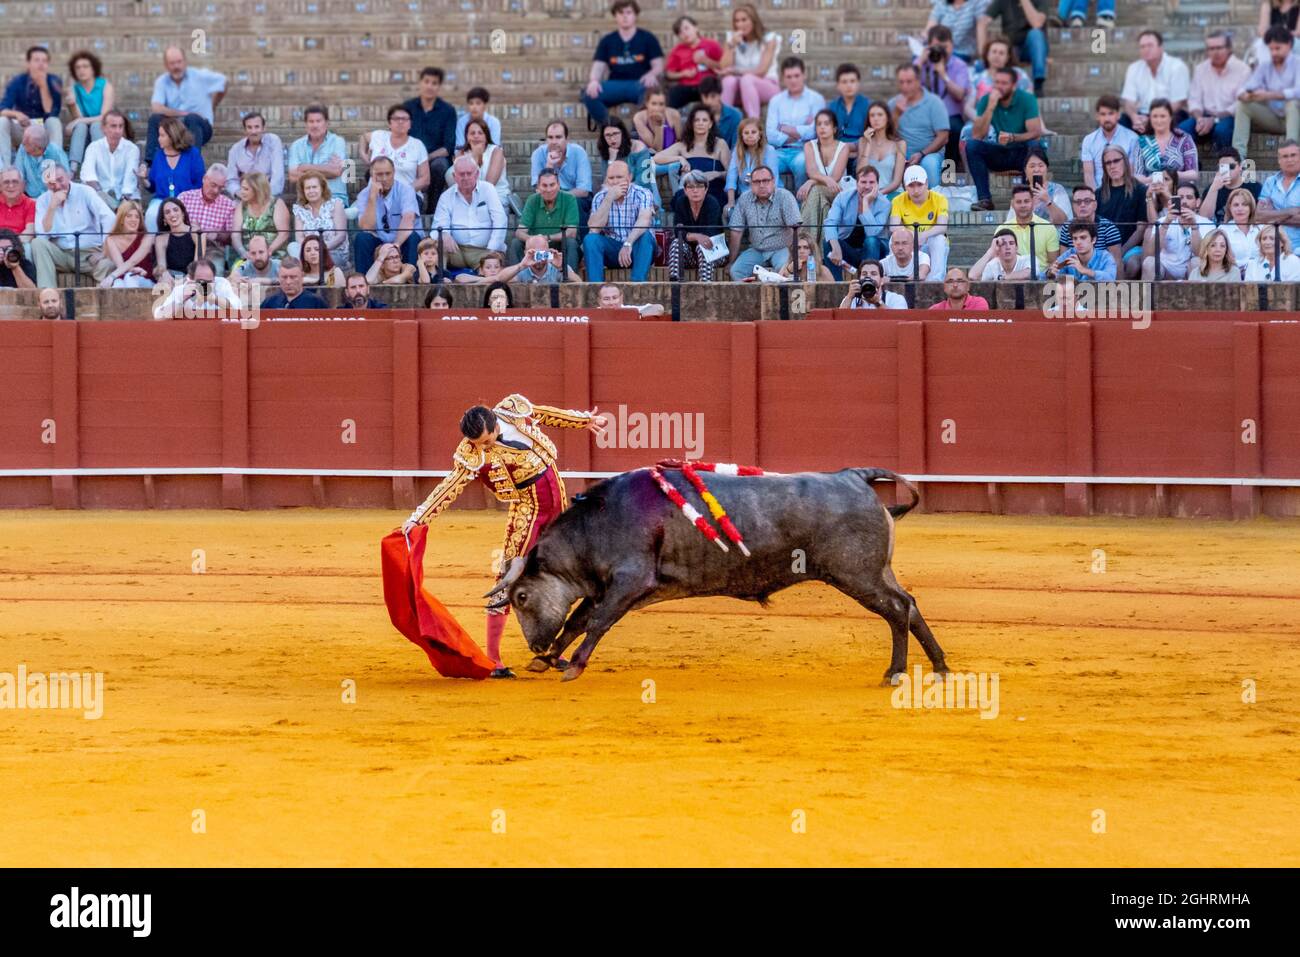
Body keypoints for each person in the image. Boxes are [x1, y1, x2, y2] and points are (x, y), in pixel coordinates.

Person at [400, 396, 609, 677]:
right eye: (479, 444)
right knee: (508, 578)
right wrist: (418, 518)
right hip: (528, 510)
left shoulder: (512, 409)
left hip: (557, 500)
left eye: (487, 440)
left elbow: (544, 414)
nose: (484, 447)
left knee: (566, 573)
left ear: (495, 425)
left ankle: (552, 650)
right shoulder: (471, 453)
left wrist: (584, 420)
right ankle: (494, 660)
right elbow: (449, 486)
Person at [967, 67, 1043, 210]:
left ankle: (1026, 198)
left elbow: (1035, 132)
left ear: (1013, 86)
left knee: (1034, 145)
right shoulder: (986, 100)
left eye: (1004, 83)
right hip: (1000, 153)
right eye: (996, 82)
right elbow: (977, 135)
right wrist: (990, 107)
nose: (999, 87)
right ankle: (985, 200)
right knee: (972, 146)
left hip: (1023, 153)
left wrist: (1013, 137)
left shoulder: (1027, 99)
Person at [580, 0, 665, 127]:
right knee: (589, 93)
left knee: (651, 93)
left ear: (635, 15)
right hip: (615, 84)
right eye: (621, 13)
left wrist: (652, 74)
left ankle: (639, 131)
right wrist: (593, 81)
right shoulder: (608, 41)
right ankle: (610, 129)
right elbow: (598, 66)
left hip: (640, 84)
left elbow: (659, 65)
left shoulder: (647, 38)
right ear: (615, 16)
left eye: (628, 12)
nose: (625, 16)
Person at [30, 163, 113, 287]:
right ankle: (48, 295)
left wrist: (105, 251)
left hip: (88, 254)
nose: (57, 186)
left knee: (109, 264)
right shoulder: (43, 200)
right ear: (46, 184)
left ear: (68, 176)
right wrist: (52, 207)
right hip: (61, 253)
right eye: (52, 183)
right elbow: (42, 235)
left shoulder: (85, 192)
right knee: (37, 243)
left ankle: (99, 301)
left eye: (60, 180)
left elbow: (108, 217)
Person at [145, 46, 225, 166]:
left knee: (192, 118)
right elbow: (156, 107)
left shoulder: (199, 76)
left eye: (179, 62)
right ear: (166, 65)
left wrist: (212, 105)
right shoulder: (162, 81)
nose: (176, 66)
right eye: (172, 63)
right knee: (155, 118)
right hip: (175, 129)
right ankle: (150, 164)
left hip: (200, 128)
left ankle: (191, 163)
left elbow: (223, 81)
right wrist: (184, 113)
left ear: (185, 61)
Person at [1233, 26, 1300, 161]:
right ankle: (1238, 157)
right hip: (1275, 119)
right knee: (1243, 105)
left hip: (1296, 118)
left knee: (1292, 104)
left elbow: (1298, 92)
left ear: (1289, 45)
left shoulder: (1298, 63)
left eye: (1278, 48)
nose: (1274, 52)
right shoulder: (1265, 66)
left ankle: (1291, 155)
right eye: (1271, 49)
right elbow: (1244, 88)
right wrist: (1246, 95)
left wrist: (1268, 95)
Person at [583, 159, 656, 281]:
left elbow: (644, 221)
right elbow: (594, 228)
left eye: (619, 177)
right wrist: (609, 198)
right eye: (611, 178)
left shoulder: (643, 193)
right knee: (590, 239)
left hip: (638, 249)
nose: (615, 182)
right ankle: (596, 287)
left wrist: (628, 243)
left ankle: (637, 286)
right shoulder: (600, 197)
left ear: (630, 177)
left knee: (646, 236)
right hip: (614, 251)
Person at [725, 164, 800, 280]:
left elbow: (796, 228)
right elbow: (736, 231)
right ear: (751, 184)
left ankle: (779, 298)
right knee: (736, 271)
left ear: (773, 181)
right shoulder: (744, 199)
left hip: (782, 248)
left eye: (765, 181)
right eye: (756, 182)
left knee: (784, 270)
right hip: (756, 249)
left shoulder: (785, 196)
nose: (761, 185)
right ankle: (751, 297)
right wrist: (731, 261)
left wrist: (796, 256)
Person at [431, 155, 508, 269]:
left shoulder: (488, 189)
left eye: (469, 173)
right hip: (457, 250)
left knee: (492, 267)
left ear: (476, 174)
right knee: (438, 244)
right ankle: (440, 281)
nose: (465, 177)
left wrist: (491, 250)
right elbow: (437, 226)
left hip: (484, 250)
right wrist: (444, 234)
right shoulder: (446, 196)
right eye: (461, 174)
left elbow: (500, 221)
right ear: (454, 176)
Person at [1180, 31, 1250, 153]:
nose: (1215, 52)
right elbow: (1194, 99)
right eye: (1211, 48)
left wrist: (1214, 119)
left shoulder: (1243, 69)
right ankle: (1190, 168)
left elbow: (1240, 103)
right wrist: (1199, 118)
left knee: (1222, 130)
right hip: (1205, 116)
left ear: (1229, 49)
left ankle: (1226, 167)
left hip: (1231, 117)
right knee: (1182, 130)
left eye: (1219, 48)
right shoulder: (1201, 69)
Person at [352, 156, 423, 273]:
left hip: (403, 240)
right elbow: (366, 227)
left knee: (413, 237)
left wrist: (395, 246)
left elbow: (408, 220)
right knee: (362, 238)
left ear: (394, 173)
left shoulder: (406, 190)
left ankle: (410, 278)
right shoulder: (364, 195)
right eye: (379, 174)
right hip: (380, 242)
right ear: (372, 175)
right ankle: (363, 282)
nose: (384, 178)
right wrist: (372, 197)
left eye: (388, 173)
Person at [764, 57, 825, 191]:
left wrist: (784, 128)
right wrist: (802, 131)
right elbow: (770, 135)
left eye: (796, 76)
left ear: (804, 75)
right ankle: (779, 198)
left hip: (803, 151)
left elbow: (815, 131)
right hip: (779, 151)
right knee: (764, 163)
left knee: (802, 163)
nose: (793, 80)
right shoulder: (776, 101)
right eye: (789, 77)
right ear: (783, 79)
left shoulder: (816, 99)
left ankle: (799, 204)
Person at [825, 164, 892, 279]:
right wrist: (835, 247)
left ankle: (869, 282)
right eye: (863, 182)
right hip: (850, 249)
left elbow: (872, 232)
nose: (867, 186)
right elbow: (830, 222)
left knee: (871, 241)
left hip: (876, 251)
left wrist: (865, 202)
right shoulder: (843, 197)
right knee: (828, 242)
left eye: (871, 182)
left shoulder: (884, 203)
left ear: (878, 185)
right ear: (857, 184)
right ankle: (836, 284)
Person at [403, 67, 457, 210]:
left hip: (434, 158)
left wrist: (426, 158)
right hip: (409, 156)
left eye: (434, 83)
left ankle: (433, 209)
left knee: (440, 166)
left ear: (439, 86)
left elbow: (448, 146)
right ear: (420, 83)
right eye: (426, 81)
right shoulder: (407, 107)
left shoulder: (448, 111)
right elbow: (399, 135)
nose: (430, 86)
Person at [0, 46, 63, 168]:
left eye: (44, 61)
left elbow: (52, 112)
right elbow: (3, 108)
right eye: (37, 60)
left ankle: (52, 169)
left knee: (54, 122)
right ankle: (5, 169)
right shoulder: (17, 81)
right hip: (22, 128)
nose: (41, 64)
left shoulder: (54, 81)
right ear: (28, 63)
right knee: (2, 121)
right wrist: (17, 114)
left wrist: (43, 86)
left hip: (43, 130)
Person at [654, 104, 730, 206]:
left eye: (704, 120)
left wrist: (717, 174)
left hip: (713, 194)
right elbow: (656, 158)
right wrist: (680, 158)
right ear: (691, 123)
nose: (700, 123)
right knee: (681, 200)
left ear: (710, 124)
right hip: (689, 195)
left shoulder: (720, 144)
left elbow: (731, 173)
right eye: (696, 120)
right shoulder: (683, 145)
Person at [917, 25, 971, 166]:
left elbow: (960, 95)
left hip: (951, 116)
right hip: (925, 114)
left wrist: (943, 74)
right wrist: (920, 62)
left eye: (944, 47)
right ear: (929, 46)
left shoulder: (959, 65)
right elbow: (908, 89)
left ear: (952, 46)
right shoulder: (921, 64)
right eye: (937, 47)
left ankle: (948, 178)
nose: (941, 51)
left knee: (953, 129)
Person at [889, 64, 949, 189]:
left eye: (909, 82)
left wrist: (921, 154)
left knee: (929, 164)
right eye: (901, 82)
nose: (905, 86)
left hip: (929, 154)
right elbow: (887, 136)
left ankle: (933, 203)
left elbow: (943, 137)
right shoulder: (893, 104)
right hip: (901, 154)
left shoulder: (934, 102)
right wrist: (896, 115)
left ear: (918, 81)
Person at [796, 109, 850, 250]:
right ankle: (817, 249)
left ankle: (804, 243)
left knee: (813, 191)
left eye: (826, 124)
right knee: (818, 198)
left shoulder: (843, 148)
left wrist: (811, 181)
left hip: (839, 193)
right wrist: (813, 180)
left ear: (834, 128)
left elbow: (835, 178)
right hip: (820, 193)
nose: (822, 127)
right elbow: (812, 171)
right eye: (819, 124)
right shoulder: (809, 146)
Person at [1141, 180, 1215, 280]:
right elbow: (1150, 253)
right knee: (1149, 262)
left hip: (1190, 272)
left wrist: (1194, 227)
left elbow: (1202, 255)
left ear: (1197, 202)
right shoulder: (1162, 221)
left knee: (1197, 261)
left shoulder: (1207, 224)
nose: (1184, 201)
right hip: (1166, 271)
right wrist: (1166, 224)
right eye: (1180, 198)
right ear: (1173, 200)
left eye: (1189, 197)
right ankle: (1147, 296)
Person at [140, 117, 204, 231]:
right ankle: (153, 246)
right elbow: (152, 187)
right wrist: (143, 179)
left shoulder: (192, 154)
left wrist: (183, 201)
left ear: (172, 136)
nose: (158, 139)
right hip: (161, 201)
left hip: (187, 202)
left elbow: (199, 183)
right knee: (151, 215)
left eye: (162, 135)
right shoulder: (158, 155)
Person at [1120, 30, 1190, 132]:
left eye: (1150, 45)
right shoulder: (1134, 68)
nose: (1146, 49)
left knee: (1176, 122)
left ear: (1161, 47)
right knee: (1121, 123)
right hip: (1142, 115)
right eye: (1142, 47)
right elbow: (1128, 101)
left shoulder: (1177, 67)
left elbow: (1178, 102)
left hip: (1170, 113)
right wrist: (1134, 117)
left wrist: (1154, 119)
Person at [510, 167, 580, 270]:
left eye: (552, 185)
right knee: (516, 243)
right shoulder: (532, 200)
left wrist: (547, 238)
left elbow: (572, 232)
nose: (548, 189)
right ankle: (516, 279)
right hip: (535, 250)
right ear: (538, 187)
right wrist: (535, 241)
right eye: (544, 185)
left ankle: (570, 280)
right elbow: (519, 232)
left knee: (571, 243)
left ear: (559, 185)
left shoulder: (569, 198)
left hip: (558, 248)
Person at [719, 3, 781, 118]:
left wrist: (735, 71)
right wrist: (732, 45)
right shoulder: (732, 38)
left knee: (747, 79)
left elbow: (761, 71)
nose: (740, 24)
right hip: (740, 88)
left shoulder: (769, 39)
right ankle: (723, 123)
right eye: (737, 21)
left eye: (744, 20)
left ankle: (754, 123)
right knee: (728, 81)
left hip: (767, 84)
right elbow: (724, 67)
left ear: (753, 20)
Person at [977, 0, 1050, 97]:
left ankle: (1038, 83)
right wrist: (984, 54)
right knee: (980, 64)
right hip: (1010, 49)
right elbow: (982, 22)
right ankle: (985, 88)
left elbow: (1036, 23)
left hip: (1031, 49)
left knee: (1036, 33)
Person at [888, 164, 949, 279]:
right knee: (894, 239)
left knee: (939, 239)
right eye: (911, 185)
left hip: (930, 240)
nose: (916, 190)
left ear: (926, 183)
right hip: (910, 242)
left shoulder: (940, 199)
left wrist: (923, 235)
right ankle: (898, 277)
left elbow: (942, 226)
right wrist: (913, 236)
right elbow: (893, 227)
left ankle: (935, 281)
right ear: (905, 186)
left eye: (919, 185)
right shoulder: (898, 200)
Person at [1096, 145, 1148, 277]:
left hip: (1131, 248)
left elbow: (1141, 229)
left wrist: (1120, 251)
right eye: (1108, 163)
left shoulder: (1140, 190)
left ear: (1125, 162)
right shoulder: (1098, 194)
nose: (1112, 166)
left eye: (1116, 161)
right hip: (1103, 248)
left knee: (1133, 264)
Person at [530, 121, 593, 226]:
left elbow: (584, 191)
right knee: (536, 202)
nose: (554, 141)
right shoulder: (538, 154)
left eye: (558, 137)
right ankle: (540, 238)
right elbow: (538, 189)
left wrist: (557, 196)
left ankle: (579, 240)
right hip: (549, 193)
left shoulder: (578, 152)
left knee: (575, 202)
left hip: (576, 196)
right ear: (546, 139)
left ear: (567, 139)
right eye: (550, 137)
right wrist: (549, 165)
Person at [361, 104, 430, 196]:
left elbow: (425, 179)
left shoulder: (417, 145)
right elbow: (364, 137)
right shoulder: (379, 136)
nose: (400, 122)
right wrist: (363, 154)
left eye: (405, 119)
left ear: (410, 124)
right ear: (390, 123)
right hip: (376, 194)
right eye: (396, 119)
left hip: (406, 196)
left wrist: (403, 192)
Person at [178, 164, 236, 272]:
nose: (216, 191)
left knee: (212, 277)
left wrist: (218, 234)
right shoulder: (185, 198)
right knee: (178, 275)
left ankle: (207, 289)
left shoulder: (229, 205)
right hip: (185, 246)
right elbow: (172, 226)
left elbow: (231, 238)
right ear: (204, 179)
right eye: (213, 185)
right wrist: (190, 229)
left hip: (212, 251)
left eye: (220, 187)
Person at [668, 170, 724, 281]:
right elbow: (678, 232)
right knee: (676, 243)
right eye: (690, 187)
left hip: (715, 252)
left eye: (699, 186)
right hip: (691, 256)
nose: (695, 191)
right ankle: (675, 284)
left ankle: (704, 285)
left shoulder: (712, 203)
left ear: (706, 189)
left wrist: (690, 236)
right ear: (685, 190)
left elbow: (710, 235)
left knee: (703, 246)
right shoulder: (681, 203)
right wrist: (696, 236)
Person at [63, 50, 113, 173]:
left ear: (93, 69)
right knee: (80, 126)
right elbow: (79, 117)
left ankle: (100, 166)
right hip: (83, 135)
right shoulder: (75, 88)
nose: (81, 70)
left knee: (95, 125)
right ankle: (73, 168)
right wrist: (72, 104)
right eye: (78, 67)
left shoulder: (105, 85)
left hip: (102, 131)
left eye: (85, 66)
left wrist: (78, 121)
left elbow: (105, 117)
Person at [79, 109, 139, 210]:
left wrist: (123, 202)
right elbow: (88, 176)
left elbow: (130, 181)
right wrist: (104, 198)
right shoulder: (94, 147)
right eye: (113, 126)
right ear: (103, 128)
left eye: (121, 126)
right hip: (99, 196)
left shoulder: (132, 149)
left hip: (125, 197)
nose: (118, 131)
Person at [595, 119, 655, 216]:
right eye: (608, 135)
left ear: (623, 133)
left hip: (639, 196)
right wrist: (611, 160)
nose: (612, 139)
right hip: (615, 197)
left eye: (615, 133)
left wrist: (618, 190)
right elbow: (606, 183)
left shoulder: (639, 148)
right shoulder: (607, 151)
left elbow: (643, 183)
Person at [287, 105, 349, 201]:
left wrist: (305, 167)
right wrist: (326, 169)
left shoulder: (337, 142)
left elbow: (336, 171)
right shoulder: (297, 145)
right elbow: (292, 176)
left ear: (327, 123)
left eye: (318, 121)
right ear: (306, 124)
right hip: (306, 199)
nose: (315, 125)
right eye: (311, 121)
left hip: (334, 197)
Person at [447, 118, 511, 209]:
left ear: (486, 136)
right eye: (472, 133)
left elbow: (489, 185)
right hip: (466, 198)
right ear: (467, 136)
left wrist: (476, 157)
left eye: (480, 133)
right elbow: (455, 180)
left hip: (494, 197)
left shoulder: (496, 151)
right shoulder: (460, 154)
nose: (476, 136)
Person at [291, 170, 349, 272]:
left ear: (322, 188)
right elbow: (299, 237)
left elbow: (341, 236)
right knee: (292, 247)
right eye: (308, 188)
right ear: (303, 191)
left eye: (314, 187)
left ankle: (312, 274)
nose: (311, 191)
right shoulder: (299, 209)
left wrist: (321, 249)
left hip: (332, 252)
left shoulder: (335, 204)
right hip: (309, 254)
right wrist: (310, 251)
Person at [1134, 98, 1199, 187]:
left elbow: (1194, 174)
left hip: (1178, 190)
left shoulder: (1184, 139)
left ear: (1170, 117)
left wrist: (1172, 175)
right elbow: (1137, 176)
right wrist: (1152, 179)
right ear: (1150, 118)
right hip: (1150, 191)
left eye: (1162, 116)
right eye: (1155, 116)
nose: (1159, 120)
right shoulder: (1142, 141)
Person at [152, 258, 244, 320]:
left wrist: (213, 298)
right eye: (201, 281)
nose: (205, 285)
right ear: (191, 280)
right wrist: (181, 299)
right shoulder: (182, 290)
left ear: (214, 279)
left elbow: (237, 307)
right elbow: (159, 317)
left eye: (209, 282)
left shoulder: (221, 284)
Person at [1080, 95, 1140, 190]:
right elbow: (1088, 176)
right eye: (1103, 114)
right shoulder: (1089, 140)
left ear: (1118, 115)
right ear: (1097, 116)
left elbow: (1132, 173)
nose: (1107, 118)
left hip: (1124, 192)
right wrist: (1095, 198)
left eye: (1111, 113)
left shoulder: (1132, 138)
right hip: (1098, 193)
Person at [1055, 185, 1123, 269]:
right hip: (1073, 276)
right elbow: (1063, 262)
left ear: (1095, 205)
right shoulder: (1066, 227)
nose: (1082, 205)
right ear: (1073, 205)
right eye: (1078, 202)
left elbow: (1117, 262)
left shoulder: (1108, 228)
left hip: (1101, 277)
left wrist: (1119, 282)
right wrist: (1069, 282)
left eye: (1087, 201)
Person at [664, 15, 723, 109]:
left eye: (687, 28)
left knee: (712, 96)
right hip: (686, 86)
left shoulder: (711, 45)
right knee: (670, 98)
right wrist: (683, 74)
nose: (684, 33)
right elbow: (669, 74)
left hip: (707, 85)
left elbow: (723, 66)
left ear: (696, 28)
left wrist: (705, 60)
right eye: (680, 32)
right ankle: (666, 122)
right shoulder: (677, 50)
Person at [1001, 182, 1059, 275]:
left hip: (1041, 280)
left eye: (1026, 201)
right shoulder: (1003, 229)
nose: (1023, 205)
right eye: (1018, 202)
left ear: (1033, 202)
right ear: (1012, 204)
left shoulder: (1048, 228)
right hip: (1010, 280)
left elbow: (1053, 263)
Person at [94, 200, 154, 288]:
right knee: (118, 284)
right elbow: (121, 266)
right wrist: (134, 270)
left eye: (137, 217)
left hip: (145, 279)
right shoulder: (111, 239)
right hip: (124, 277)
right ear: (121, 219)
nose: (133, 220)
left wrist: (111, 277)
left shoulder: (147, 238)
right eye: (129, 216)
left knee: (130, 279)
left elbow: (133, 261)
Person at [233, 172, 290, 262]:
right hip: (248, 257)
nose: (241, 192)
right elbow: (235, 235)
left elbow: (284, 234)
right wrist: (243, 252)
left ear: (257, 190)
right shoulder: (241, 206)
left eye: (246, 189)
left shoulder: (276, 204)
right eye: (241, 188)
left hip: (274, 255)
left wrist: (269, 251)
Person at [225, 112, 284, 198]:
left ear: (263, 128)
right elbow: (231, 180)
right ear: (245, 130)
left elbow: (278, 176)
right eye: (249, 127)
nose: (253, 131)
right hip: (245, 196)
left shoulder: (273, 141)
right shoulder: (235, 149)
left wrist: (265, 196)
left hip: (269, 195)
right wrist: (239, 193)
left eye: (257, 127)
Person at [725, 117, 779, 209]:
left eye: (753, 132)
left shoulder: (769, 150)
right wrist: (731, 202)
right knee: (731, 213)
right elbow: (731, 177)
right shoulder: (737, 152)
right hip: (745, 198)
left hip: (768, 196)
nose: (750, 135)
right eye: (746, 133)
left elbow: (774, 179)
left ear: (760, 135)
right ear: (741, 136)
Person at [1257, 138, 1300, 252]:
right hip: (1274, 249)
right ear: (1279, 160)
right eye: (1285, 156)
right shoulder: (1270, 182)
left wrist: (1273, 215)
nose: (1289, 159)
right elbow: (1259, 216)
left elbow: (1266, 217)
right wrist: (1290, 212)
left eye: (1293, 155)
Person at [857, 102, 907, 197]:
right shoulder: (863, 141)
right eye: (872, 115)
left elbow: (897, 181)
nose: (876, 118)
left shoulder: (900, 144)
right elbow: (860, 173)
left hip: (892, 193)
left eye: (880, 115)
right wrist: (868, 143)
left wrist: (878, 193)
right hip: (866, 193)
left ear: (887, 118)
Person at [1200, 147, 1262, 222]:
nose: (1228, 170)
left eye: (1231, 166)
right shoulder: (1212, 189)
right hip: (1221, 230)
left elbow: (1261, 216)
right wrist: (1214, 188)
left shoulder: (1254, 187)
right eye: (1223, 167)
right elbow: (1204, 218)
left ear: (1240, 167)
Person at [682, 74, 743, 150]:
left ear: (720, 95)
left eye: (713, 96)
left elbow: (736, 147)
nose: (708, 101)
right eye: (705, 97)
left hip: (727, 158)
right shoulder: (695, 113)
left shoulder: (735, 115)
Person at [828, 64, 870, 166]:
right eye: (844, 82)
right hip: (836, 153)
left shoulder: (868, 106)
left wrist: (855, 148)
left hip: (861, 152)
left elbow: (872, 135)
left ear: (858, 83)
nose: (849, 85)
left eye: (852, 81)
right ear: (838, 85)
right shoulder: (831, 107)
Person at [497, 234, 582, 284]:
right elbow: (499, 280)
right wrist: (520, 266)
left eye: (541, 254)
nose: (538, 259)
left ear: (548, 252)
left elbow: (579, 282)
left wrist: (561, 268)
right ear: (526, 253)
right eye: (535, 254)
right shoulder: (522, 269)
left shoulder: (556, 267)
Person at [1047, 221, 1117, 281]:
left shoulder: (1105, 257)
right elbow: (1047, 275)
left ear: (1093, 240)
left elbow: (1111, 278)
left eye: (1083, 238)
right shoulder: (1068, 255)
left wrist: (1085, 270)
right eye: (1075, 238)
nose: (1078, 242)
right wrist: (1050, 274)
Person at [14, 125, 68, 199]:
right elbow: (19, 175)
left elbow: (65, 179)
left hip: (52, 197)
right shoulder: (22, 148)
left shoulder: (55, 152)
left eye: (27, 143)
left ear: (39, 148)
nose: (23, 143)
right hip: (30, 197)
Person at [152, 196, 199, 283]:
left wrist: (187, 279)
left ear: (183, 213)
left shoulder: (196, 232)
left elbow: (198, 262)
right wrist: (164, 272)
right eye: (167, 212)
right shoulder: (161, 238)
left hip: (193, 276)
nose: (172, 214)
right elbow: (161, 265)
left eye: (175, 210)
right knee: (163, 279)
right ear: (164, 219)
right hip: (172, 276)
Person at [1217, 187, 1263, 265]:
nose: (1240, 209)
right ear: (1230, 208)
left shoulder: (1261, 228)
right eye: (1236, 205)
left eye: (1244, 205)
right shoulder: (1223, 230)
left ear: (1251, 208)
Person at [261, 257, 329, 309]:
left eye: (293, 277)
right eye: (284, 277)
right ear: (278, 277)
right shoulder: (270, 303)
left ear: (302, 277)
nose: (288, 282)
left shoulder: (316, 303)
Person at [1023, 149, 1070, 225]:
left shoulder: (1057, 190)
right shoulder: (1021, 192)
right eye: (1032, 166)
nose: (1037, 169)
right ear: (1025, 170)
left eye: (1041, 166)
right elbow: (1011, 223)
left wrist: (1047, 200)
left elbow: (1063, 222)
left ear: (1046, 169)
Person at [838, 259, 908, 309]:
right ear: (859, 279)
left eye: (873, 274)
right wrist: (849, 297)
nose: (868, 276)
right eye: (864, 274)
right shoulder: (852, 299)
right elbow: (839, 320)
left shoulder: (895, 299)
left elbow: (898, 319)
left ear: (882, 280)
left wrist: (878, 303)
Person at [0, 167, 36, 237]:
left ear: (22, 185)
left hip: (19, 244)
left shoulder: (30, 204)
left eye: (15, 182)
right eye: (6, 182)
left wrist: (11, 244)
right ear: (0, 186)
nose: (11, 186)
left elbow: (29, 232)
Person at [597, 282, 666, 316]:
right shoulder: (591, 314)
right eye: (606, 299)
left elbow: (659, 308)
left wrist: (632, 317)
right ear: (599, 301)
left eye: (615, 298)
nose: (611, 302)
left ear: (621, 298)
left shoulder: (631, 310)